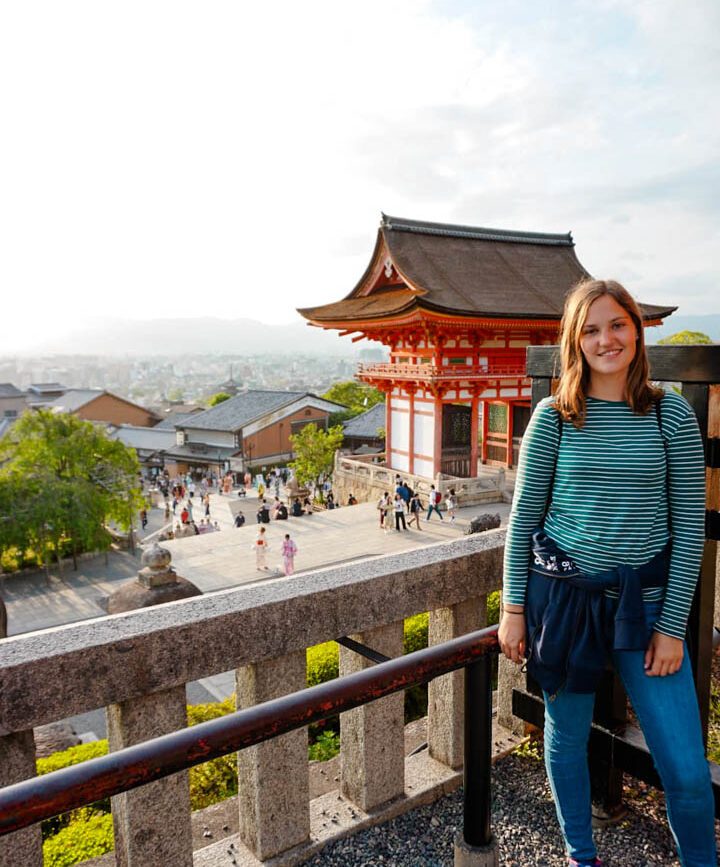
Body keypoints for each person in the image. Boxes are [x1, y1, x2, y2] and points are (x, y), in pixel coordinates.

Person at [498, 279, 715, 867]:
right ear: (575, 340)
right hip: (566, 602)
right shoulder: (555, 416)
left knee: (687, 771)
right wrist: (512, 609)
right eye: (591, 329)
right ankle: (580, 854)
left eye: (617, 324)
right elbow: (525, 520)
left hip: (644, 610)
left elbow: (687, 529)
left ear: (636, 331)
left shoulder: (667, 413)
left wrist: (672, 627)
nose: (606, 339)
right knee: (566, 739)